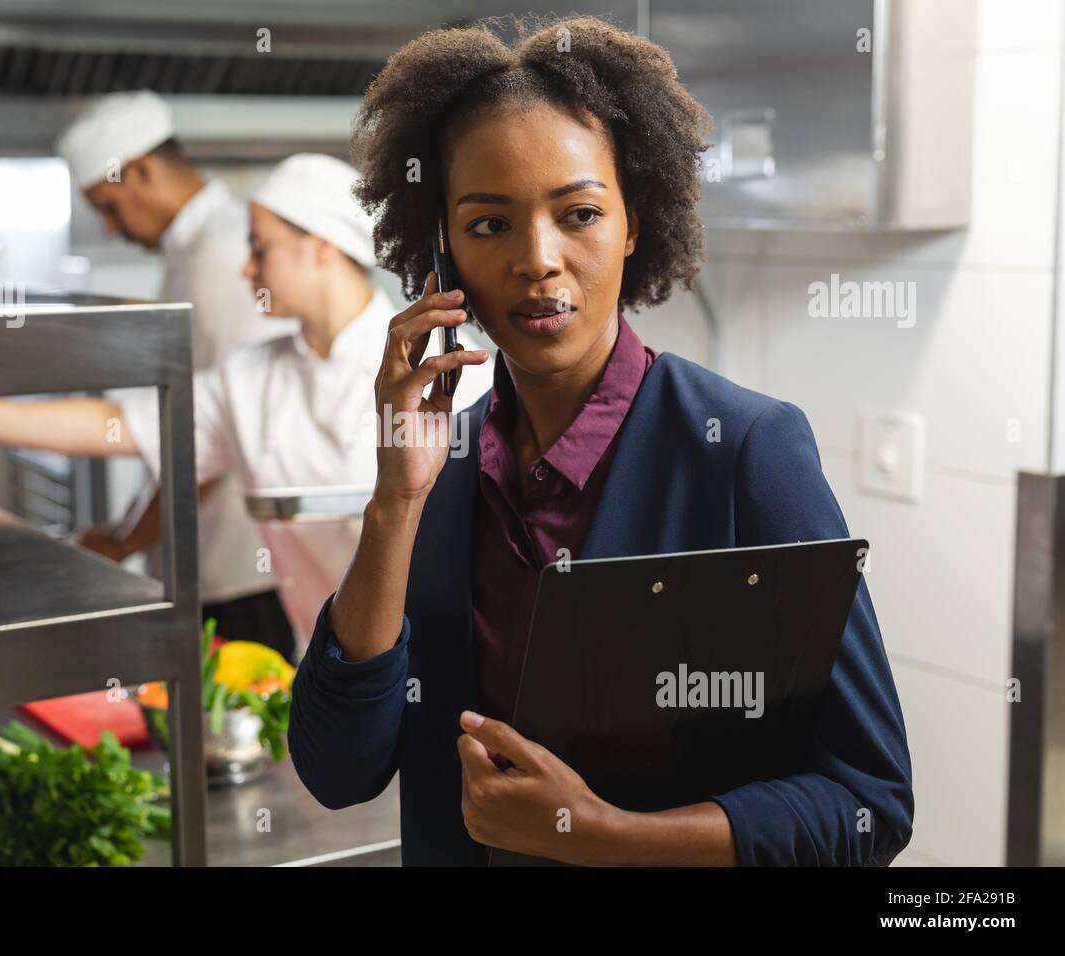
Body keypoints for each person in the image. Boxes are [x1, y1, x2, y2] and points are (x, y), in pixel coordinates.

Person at [287, 17, 914, 866]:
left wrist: (606, 836)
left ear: (633, 222)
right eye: (488, 225)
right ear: (442, 253)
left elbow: (867, 804)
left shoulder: (745, 453)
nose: (537, 260)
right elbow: (338, 768)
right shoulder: (434, 475)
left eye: (578, 213)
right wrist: (396, 499)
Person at [0, 154, 495, 660]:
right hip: (327, 661)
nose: (246, 269)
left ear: (319, 248)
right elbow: (120, 428)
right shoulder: (251, 376)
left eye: (259, 248)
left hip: (442, 660)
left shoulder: (449, 371)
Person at [55, 90, 296, 654]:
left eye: (108, 207)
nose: (111, 229)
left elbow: (212, 434)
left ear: (138, 171)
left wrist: (124, 540)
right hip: (210, 564)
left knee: (242, 732)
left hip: (240, 573)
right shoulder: (195, 249)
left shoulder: (220, 252)